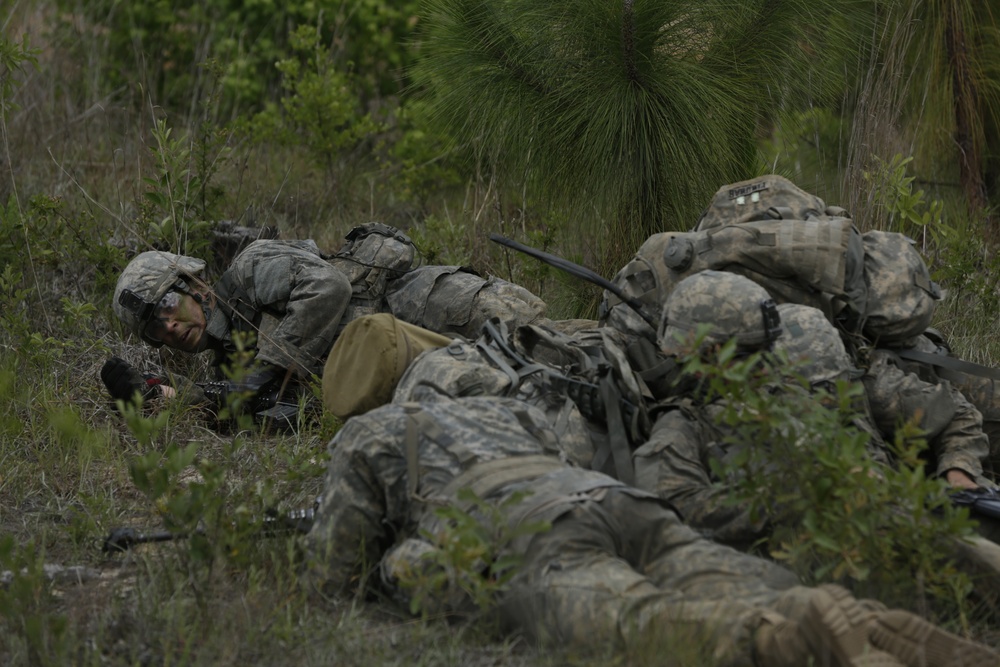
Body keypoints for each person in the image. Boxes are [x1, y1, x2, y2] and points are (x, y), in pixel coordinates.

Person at [302, 388, 999, 667]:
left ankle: (783, 633)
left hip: (527, 533)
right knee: (736, 575)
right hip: (613, 500)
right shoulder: (504, 408)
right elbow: (575, 455)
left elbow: (335, 580)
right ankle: (870, 621)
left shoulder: (369, 433)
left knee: (641, 619)